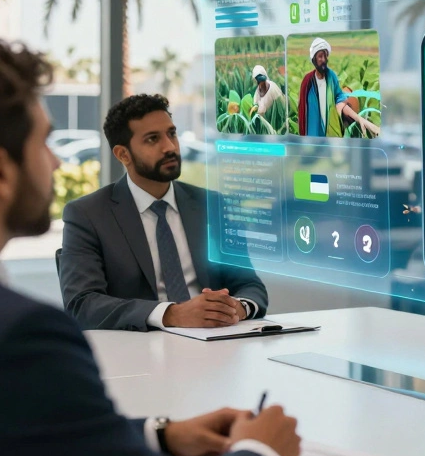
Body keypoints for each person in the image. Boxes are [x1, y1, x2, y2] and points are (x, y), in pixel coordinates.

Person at [0, 40, 301, 456]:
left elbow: (15, 429)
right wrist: (262, 455)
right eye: (45, 142)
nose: (55, 160)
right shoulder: (19, 337)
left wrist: (159, 434)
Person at [61, 94, 269, 331]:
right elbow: (82, 304)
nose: (170, 147)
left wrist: (234, 308)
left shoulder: (213, 205)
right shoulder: (87, 215)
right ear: (123, 155)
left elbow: (250, 285)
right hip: (140, 351)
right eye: (152, 139)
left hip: (217, 344)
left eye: (171, 134)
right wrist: (172, 314)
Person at [297, 37, 379, 138]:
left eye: (325, 56)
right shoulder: (307, 81)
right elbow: (302, 109)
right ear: (314, 59)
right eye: (320, 56)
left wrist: (360, 119)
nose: (323, 59)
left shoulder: (331, 76)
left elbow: (340, 100)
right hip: (312, 133)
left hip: (330, 132)